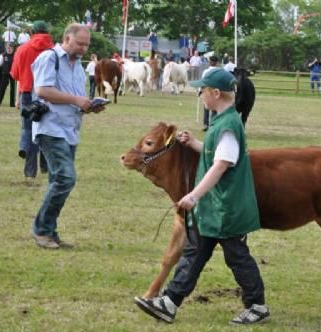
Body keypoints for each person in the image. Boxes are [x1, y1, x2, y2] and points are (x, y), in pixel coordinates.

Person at [135, 68, 269, 325]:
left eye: (202, 90)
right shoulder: (221, 120)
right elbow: (215, 154)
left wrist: (194, 196)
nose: (199, 94)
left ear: (216, 93)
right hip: (213, 207)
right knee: (194, 252)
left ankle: (257, 306)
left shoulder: (229, 126)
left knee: (237, 257)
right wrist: (195, 143)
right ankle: (169, 302)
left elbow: (221, 165)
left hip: (226, 208)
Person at [30, 23, 105, 249]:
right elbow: (43, 90)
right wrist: (76, 101)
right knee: (66, 178)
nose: (83, 48)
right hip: (50, 127)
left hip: (69, 129)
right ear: (67, 39)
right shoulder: (49, 58)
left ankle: (50, 232)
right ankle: (41, 230)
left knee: (58, 180)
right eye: (80, 43)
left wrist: (89, 106)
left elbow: (77, 98)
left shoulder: (78, 68)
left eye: (86, 45)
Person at [10, 20, 53, 179]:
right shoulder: (54, 49)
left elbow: (14, 75)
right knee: (46, 129)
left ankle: (30, 171)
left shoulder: (22, 49)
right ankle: (46, 165)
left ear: (32, 32)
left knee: (28, 129)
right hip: (49, 93)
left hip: (28, 92)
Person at [202, 55, 219, 131]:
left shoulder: (206, 71)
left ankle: (206, 124)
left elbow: (202, 82)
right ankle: (212, 124)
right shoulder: (219, 71)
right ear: (216, 63)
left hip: (207, 91)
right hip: (215, 92)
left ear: (211, 62)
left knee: (206, 108)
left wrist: (200, 90)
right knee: (214, 108)